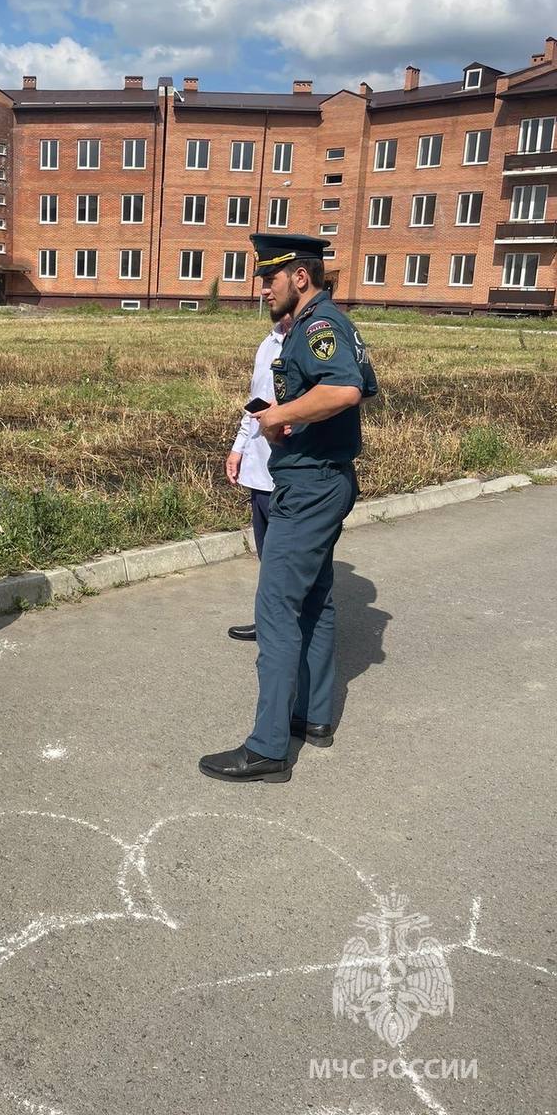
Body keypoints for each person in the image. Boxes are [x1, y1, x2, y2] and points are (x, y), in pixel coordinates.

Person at [200, 233, 378, 784]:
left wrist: (279, 417)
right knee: (317, 600)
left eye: (269, 278)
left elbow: (346, 391)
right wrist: (286, 415)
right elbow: (360, 385)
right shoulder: (316, 325)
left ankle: (268, 748)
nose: (262, 289)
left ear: (299, 277)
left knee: (276, 612)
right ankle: (313, 716)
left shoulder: (320, 326)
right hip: (320, 480)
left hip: (309, 485)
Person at [225, 311, 293, 641]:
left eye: (272, 282)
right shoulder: (268, 343)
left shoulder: (304, 344)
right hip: (259, 472)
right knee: (267, 555)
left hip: (288, 471)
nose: (266, 291)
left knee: (286, 559)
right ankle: (268, 622)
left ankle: (288, 628)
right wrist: (238, 448)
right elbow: (254, 407)